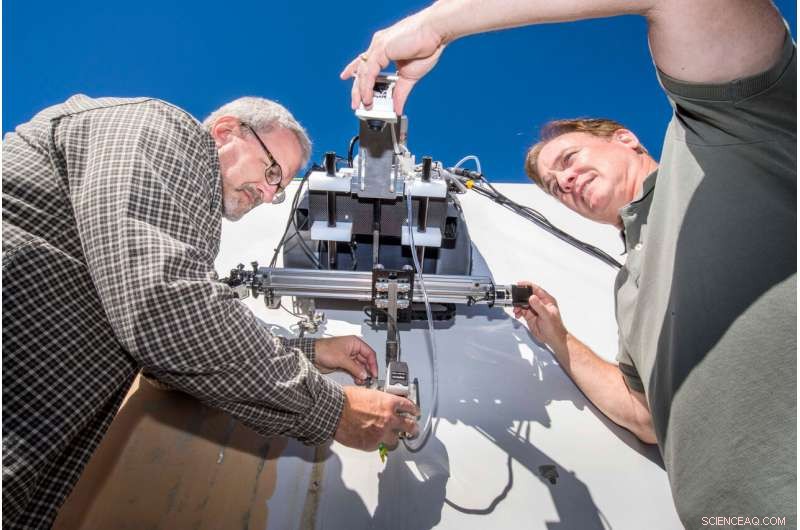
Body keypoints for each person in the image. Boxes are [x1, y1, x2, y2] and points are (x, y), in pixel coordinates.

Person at [341, 1, 796, 528]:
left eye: (570, 160)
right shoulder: (630, 287)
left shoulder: (719, 140)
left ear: (625, 137)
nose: (565, 183)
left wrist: (435, 24)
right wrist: (559, 339)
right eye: (554, 186)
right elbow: (647, 418)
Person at [2, 94, 419, 529]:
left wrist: (312, 352)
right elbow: (166, 306)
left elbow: (167, 360)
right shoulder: (164, 129)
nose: (268, 193)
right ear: (226, 132)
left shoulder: (184, 224)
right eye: (271, 170)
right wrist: (333, 410)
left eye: (278, 189)